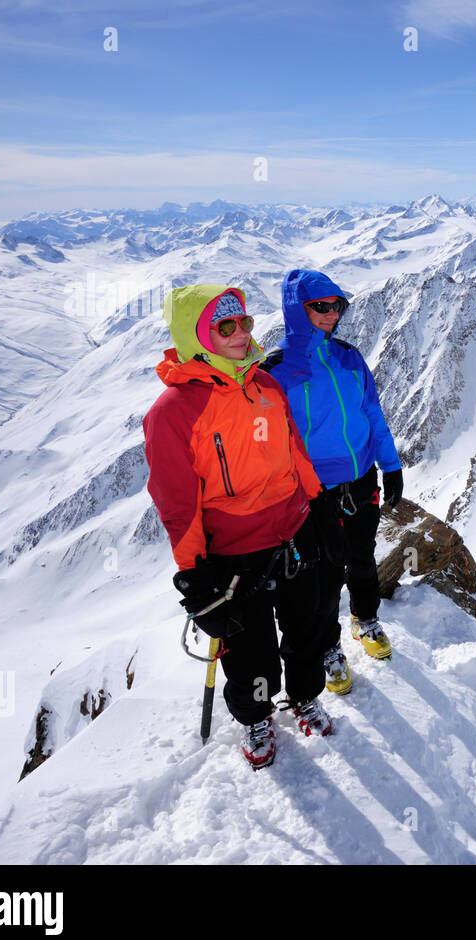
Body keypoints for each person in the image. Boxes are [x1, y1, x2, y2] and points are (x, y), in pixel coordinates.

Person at [143, 284, 345, 770]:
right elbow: (177, 503)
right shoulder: (172, 413)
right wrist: (194, 573)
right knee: (249, 650)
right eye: (224, 326)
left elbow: (296, 454)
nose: (240, 335)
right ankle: (257, 716)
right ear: (195, 335)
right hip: (234, 555)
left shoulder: (265, 386)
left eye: (245, 323)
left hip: (294, 530)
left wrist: (319, 509)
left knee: (307, 628)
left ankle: (304, 696)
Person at [263, 269, 404, 694]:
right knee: (323, 575)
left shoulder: (349, 357)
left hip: (361, 478)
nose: (331, 314)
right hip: (311, 490)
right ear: (296, 308)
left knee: (361, 557)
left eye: (337, 305)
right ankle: (328, 648)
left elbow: (372, 414)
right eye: (320, 306)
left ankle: (366, 619)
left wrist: (390, 463)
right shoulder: (276, 371)